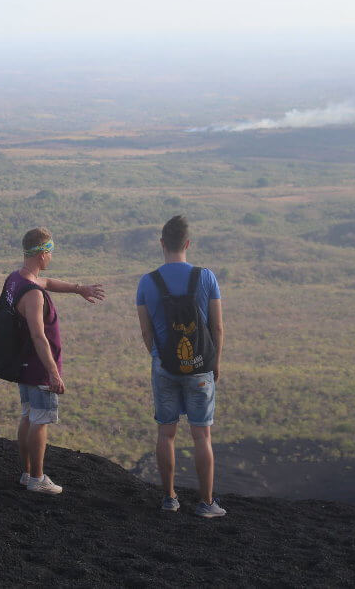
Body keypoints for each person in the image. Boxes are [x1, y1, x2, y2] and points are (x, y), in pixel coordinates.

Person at [136, 215, 226, 517]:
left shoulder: (147, 282)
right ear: (187, 243)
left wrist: (159, 357)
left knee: (166, 433)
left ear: (162, 244)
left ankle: (170, 498)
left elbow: (146, 331)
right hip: (200, 366)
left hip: (165, 367)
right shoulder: (206, 277)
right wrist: (214, 362)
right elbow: (217, 327)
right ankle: (206, 502)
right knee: (202, 435)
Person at [4, 227, 105, 495]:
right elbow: (39, 336)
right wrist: (53, 373)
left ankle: (27, 474)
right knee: (40, 420)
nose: (51, 258)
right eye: (50, 252)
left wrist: (78, 289)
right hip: (39, 368)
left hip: (22, 364)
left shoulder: (16, 279)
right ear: (42, 254)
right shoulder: (33, 295)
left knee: (28, 416)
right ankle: (38, 478)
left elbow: (46, 283)